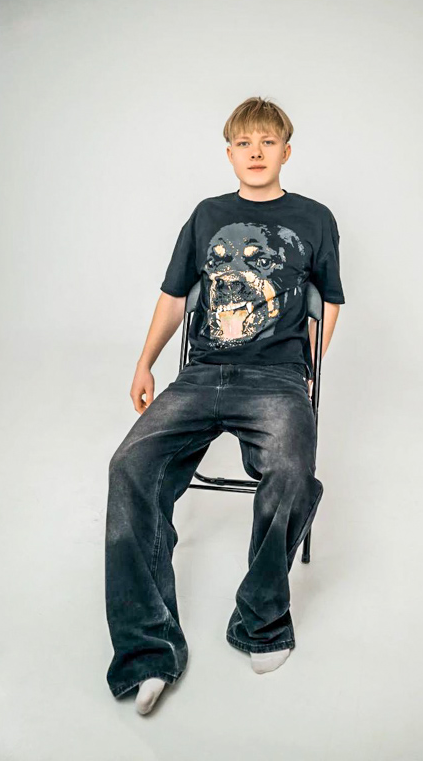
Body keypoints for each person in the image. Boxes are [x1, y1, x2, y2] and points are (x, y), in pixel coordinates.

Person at [104, 96, 345, 715]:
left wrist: (307, 372)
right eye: (244, 143)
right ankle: (148, 649)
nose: (255, 152)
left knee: (292, 472)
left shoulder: (315, 219)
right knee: (128, 466)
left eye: (267, 142)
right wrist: (145, 361)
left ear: (285, 151)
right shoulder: (206, 215)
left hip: (277, 377)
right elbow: (175, 295)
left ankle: (260, 620)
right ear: (229, 153)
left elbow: (330, 303)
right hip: (200, 374)